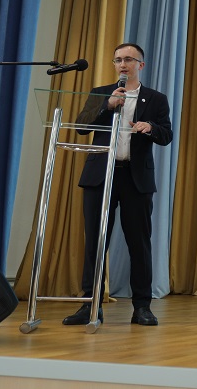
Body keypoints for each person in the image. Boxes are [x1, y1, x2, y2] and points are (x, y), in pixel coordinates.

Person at [62, 43, 173, 327]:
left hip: (135, 179)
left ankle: (142, 307)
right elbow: (82, 126)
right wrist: (107, 105)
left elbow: (166, 134)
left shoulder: (156, 99)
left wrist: (151, 128)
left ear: (140, 65)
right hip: (101, 176)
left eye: (129, 60)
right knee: (95, 243)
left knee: (139, 244)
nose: (123, 64)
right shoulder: (101, 93)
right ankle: (90, 306)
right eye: (118, 60)